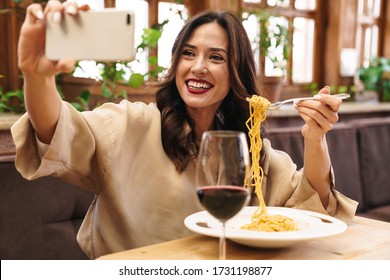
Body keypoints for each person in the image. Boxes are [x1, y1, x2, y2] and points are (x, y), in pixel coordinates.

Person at [12, 1, 358, 259]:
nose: (198, 67)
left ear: (237, 73)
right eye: (188, 54)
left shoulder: (249, 149)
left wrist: (316, 138)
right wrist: (37, 76)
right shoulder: (132, 124)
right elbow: (56, 131)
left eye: (217, 57)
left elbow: (311, 209)